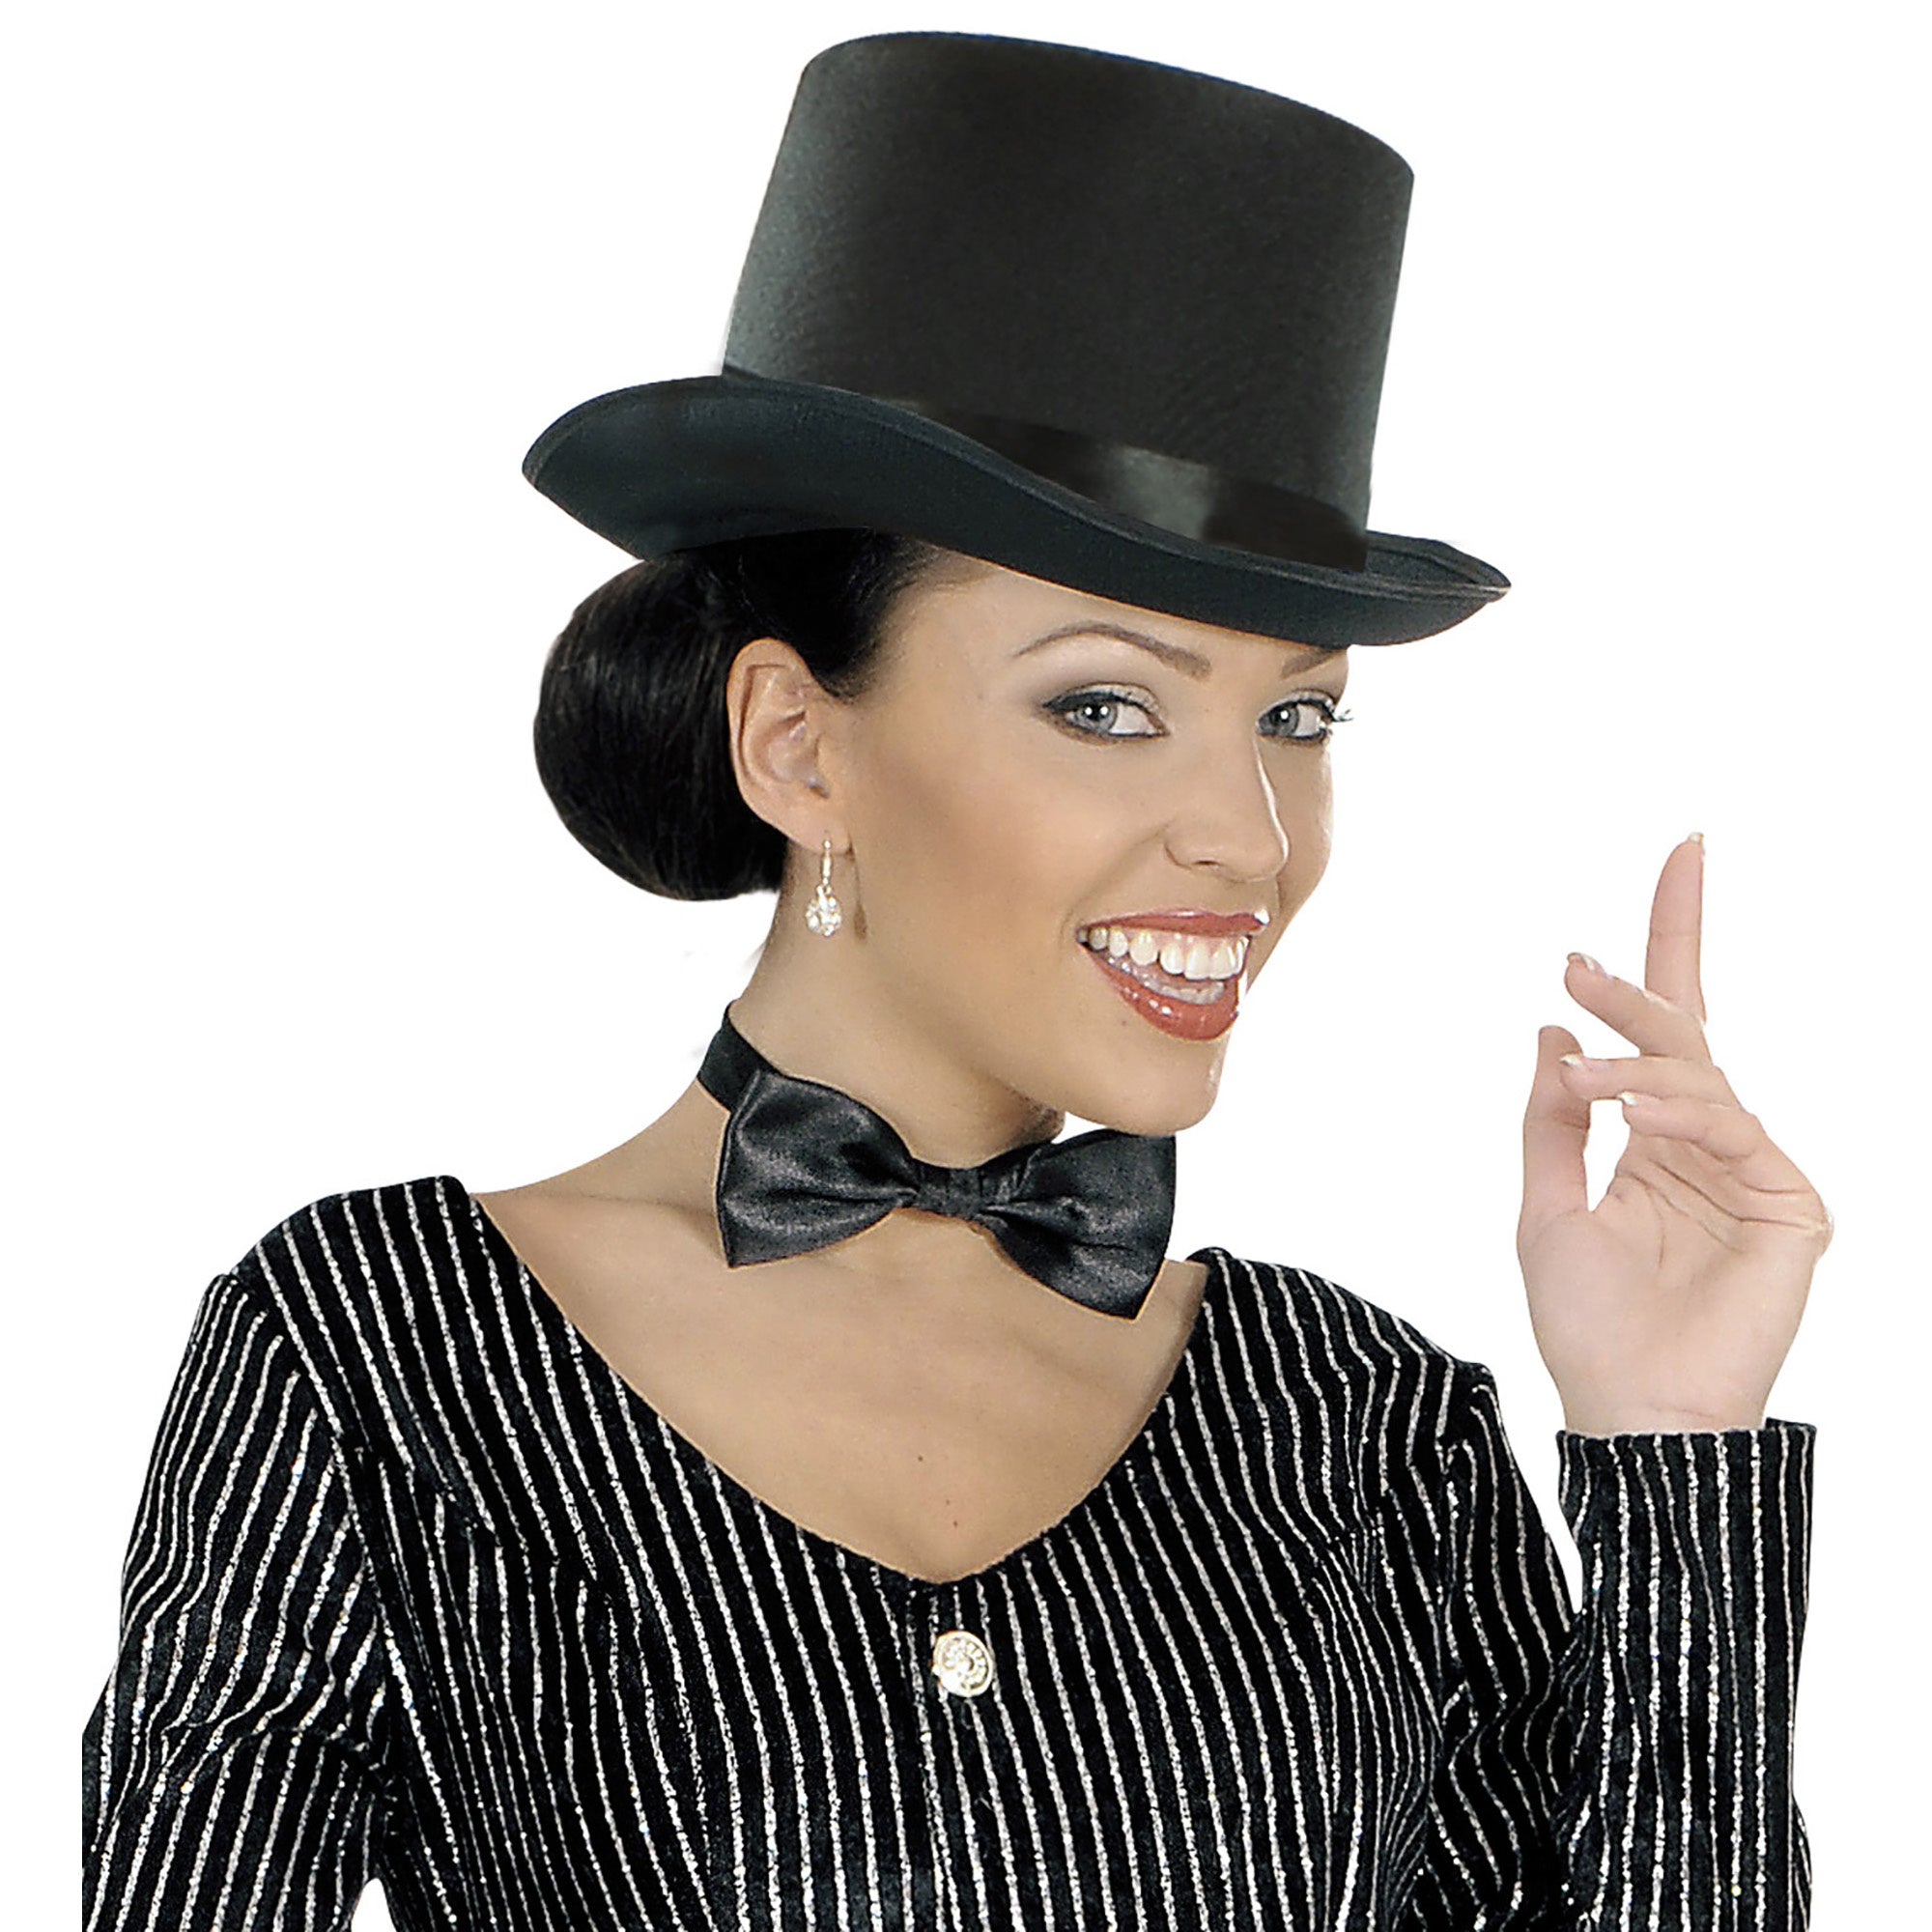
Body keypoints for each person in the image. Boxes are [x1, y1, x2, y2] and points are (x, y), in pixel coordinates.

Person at [81, 30, 1828, 1931]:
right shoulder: (376, 1357)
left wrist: (1673, 1446)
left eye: (1298, 719)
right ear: (796, 745)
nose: (1250, 838)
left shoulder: (1362, 1425)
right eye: (1106, 706)